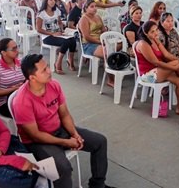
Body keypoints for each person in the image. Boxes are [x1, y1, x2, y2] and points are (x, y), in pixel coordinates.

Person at [12, 53, 115, 188]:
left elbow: (64, 114)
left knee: (100, 142)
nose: (49, 71)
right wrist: (66, 142)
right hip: (37, 142)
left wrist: (74, 134)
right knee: (63, 168)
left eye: (47, 66)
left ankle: (98, 185)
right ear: (32, 78)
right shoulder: (21, 101)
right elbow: (35, 135)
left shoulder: (54, 85)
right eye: (44, 70)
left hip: (59, 129)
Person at [135, 21, 179, 115]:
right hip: (148, 74)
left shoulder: (155, 39)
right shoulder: (143, 44)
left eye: (156, 30)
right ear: (146, 33)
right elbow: (156, 62)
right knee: (177, 64)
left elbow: (166, 55)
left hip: (159, 71)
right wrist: (175, 67)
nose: (156, 33)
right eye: (152, 31)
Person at [36, 0, 77, 74]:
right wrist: (52, 33)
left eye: (54, 0)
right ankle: (58, 63)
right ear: (46, 1)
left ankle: (70, 60)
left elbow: (59, 22)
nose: (53, 1)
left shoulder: (56, 10)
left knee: (72, 39)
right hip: (47, 36)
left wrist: (62, 30)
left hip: (58, 33)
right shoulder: (41, 14)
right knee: (66, 42)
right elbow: (38, 29)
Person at [78, 0, 114, 85]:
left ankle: (113, 70)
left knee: (119, 45)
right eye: (92, 7)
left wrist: (106, 34)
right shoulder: (84, 19)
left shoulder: (98, 17)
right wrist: (100, 42)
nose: (94, 9)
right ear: (86, 8)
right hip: (88, 44)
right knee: (108, 52)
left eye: (95, 6)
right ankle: (110, 79)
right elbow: (86, 37)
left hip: (100, 41)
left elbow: (103, 30)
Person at [0, 38, 25, 117]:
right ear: (4, 53)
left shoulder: (21, 62)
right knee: (28, 111)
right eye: (13, 49)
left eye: (17, 47)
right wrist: (13, 89)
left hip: (22, 97)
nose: (17, 51)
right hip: (4, 103)